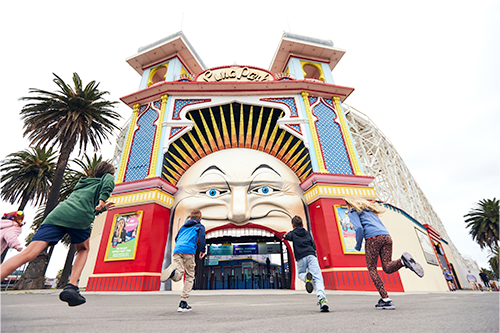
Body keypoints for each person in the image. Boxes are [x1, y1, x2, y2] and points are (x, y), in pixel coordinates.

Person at [0, 161, 115, 306]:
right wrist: (103, 200)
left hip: (58, 214)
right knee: (83, 249)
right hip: (79, 218)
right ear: (108, 173)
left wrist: (102, 208)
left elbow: (82, 202)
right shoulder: (107, 179)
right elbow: (108, 182)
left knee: (28, 253)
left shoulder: (83, 183)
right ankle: (72, 286)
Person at [344, 197, 424, 310]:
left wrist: (357, 245)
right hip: (387, 237)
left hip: (373, 238)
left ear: (349, 204)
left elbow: (360, 229)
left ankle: (386, 299)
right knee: (387, 267)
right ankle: (402, 261)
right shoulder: (369, 212)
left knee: (372, 268)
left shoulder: (352, 211)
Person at [161, 209, 206, 312]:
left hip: (177, 250)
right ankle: (183, 302)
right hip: (189, 251)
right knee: (190, 276)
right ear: (200, 218)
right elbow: (202, 238)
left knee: (178, 274)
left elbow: (176, 238)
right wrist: (202, 250)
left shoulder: (183, 227)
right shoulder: (199, 226)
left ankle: (172, 273)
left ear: (190, 218)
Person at [282, 215, 329, 312]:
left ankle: (306, 279)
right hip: (311, 255)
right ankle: (322, 299)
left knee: (300, 273)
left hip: (300, 257)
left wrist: (284, 235)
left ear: (293, 225)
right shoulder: (307, 233)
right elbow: (313, 244)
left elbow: (286, 237)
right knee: (318, 278)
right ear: (302, 224)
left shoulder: (293, 233)